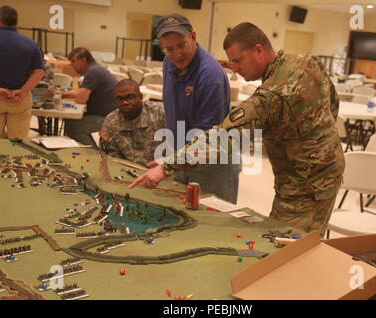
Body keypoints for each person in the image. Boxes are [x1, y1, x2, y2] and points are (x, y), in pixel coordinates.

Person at [130, 22, 345, 236]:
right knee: (299, 240)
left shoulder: (270, 96)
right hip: (325, 166)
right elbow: (331, 103)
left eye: (237, 61)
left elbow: (220, 138)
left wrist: (165, 168)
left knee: (286, 244)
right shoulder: (306, 61)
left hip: (307, 182)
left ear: (258, 51)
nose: (234, 69)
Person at [154, 13, 241, 204]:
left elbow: (206, 139)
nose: (177, 54)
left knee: (212, 220)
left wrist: (167, 167)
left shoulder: (210, 75)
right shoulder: (169, 62)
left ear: (193, 37)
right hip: (182, 157)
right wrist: (171, 152)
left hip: (212, 162)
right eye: (169, 49)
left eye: (182, 45)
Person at [0, 5, 44, 139]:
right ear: (15, 22)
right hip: (19, 99)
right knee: (18, 141)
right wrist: (22, 90)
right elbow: (39, 72)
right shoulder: (31, 44)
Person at [50, 47, 117, 147]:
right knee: (69, 120)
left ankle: (93, 154)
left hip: (108, 118)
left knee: (74, 127)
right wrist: (62, 94)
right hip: (108, 114)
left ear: (83, 60)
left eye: (74, 62)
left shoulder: (92, 72)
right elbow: (81, 93)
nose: (72, 65)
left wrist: (64, 94)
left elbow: (81, 99)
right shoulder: (95, 69)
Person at [100, 79, 165, 167]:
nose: (125, 102)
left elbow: (180, 145)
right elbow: (111, 155)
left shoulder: (160, 112)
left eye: (130, 98)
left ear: (141, 97)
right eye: (120, 99)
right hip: (128, 171)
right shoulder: (111, 121)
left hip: (162, 171)